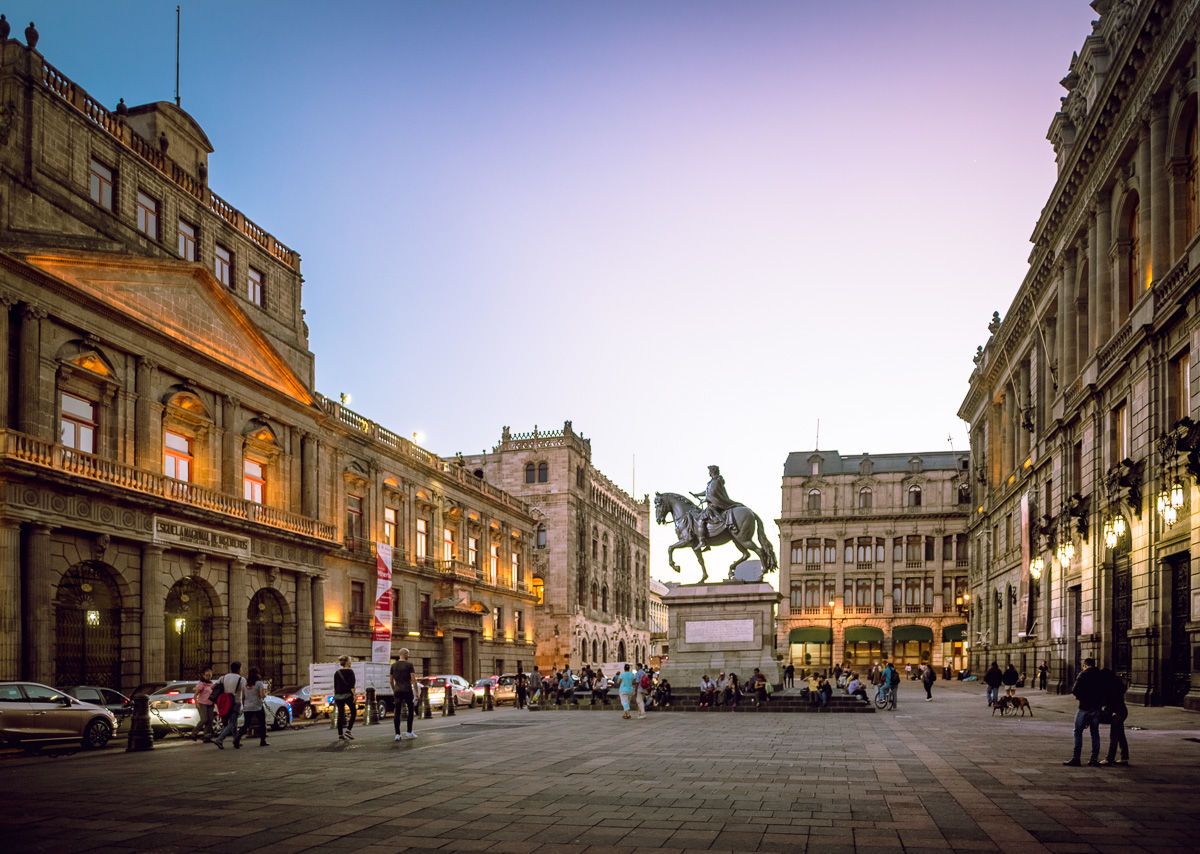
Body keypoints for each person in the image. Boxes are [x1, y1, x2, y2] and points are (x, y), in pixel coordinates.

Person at [690, 464, 743, 551]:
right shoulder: (714, 481)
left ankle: (702, 541)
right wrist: (698, 494)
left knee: (701, 518)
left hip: (715, 504)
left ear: (713, 472)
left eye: (710, 472)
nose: (709, 474)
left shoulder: (715, 482)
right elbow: (707, 492)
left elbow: (712, 494)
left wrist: (705, 500)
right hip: (715, 503)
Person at [1064, 657, 1104, 767]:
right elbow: (1105, 691)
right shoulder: (1101, 675)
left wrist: (1083, 698)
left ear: (1085, 665)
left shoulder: (1083, 674)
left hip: (1084, 708)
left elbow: (1075, 690)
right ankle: (1094, 759)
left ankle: (1076, 758)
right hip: (1096, 708)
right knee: (1095, 733)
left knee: (1078, 732)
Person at [1099, 666, 1129, 767]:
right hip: (1122, 711)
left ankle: (1109, 759)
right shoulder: (1117, 683)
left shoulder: (1109, 687)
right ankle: (1124, 757)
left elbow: (1110, 703)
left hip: (1117, 713)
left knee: (1114, 736)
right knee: (1120, 735)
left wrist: (1108, 711)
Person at [212, 661, 245, 750]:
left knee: (232, 722)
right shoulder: (241, 679)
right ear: (239, 669)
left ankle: (236, 740)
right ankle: (219, 739)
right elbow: (244, 691)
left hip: (225, 702)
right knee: (232, 723)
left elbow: (213, 687)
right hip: (235, 702)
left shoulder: (223, 677)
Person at [237, 667, 269, 748]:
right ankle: (263, 741)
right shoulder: (259, 683)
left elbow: (243, 697)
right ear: (257, 674)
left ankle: (237, 738)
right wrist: (264, 695)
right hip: (257, 706)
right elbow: (262, 695)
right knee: (262, 723)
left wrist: (244, 705)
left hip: (247, 707)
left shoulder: (245, 684)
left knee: (246, 724)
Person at [390, 648, 417, 741]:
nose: (408, 655)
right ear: (405, 654)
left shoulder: (393, 665)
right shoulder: (409, 665)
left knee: (397, 712)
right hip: (407, 690)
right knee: (410, 710)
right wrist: (416, 692)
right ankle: (409, 732)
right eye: (408, 654)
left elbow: (391, 680)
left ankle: (397, 734)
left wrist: (394, 689)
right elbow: (413, 679)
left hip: (397, 691)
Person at [333, 655, 357, 741]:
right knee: (354, 712)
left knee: (340, 714)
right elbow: (352, 686)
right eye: (350, 661)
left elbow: (335, 686)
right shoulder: (350, 672)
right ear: (347, 662)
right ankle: (348, 730)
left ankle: (340, 735)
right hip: (348, 695)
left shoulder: (337, 673)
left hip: (338, 696)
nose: (351, 662)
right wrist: (354, 695)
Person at [192, 667, 214, 742]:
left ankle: (207, 737)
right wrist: (196, 703)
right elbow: (195, 695)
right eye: (207, 675)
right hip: (202, 703)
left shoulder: (211, 684)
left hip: (210, 704)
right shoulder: (201, 684)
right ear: (203, 676)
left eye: (210, 675)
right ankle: (194, 733)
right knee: (204, 719)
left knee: (210, 720)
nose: (209, 677)